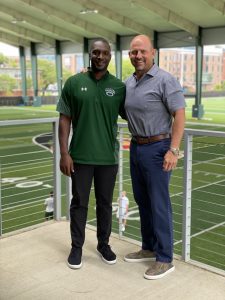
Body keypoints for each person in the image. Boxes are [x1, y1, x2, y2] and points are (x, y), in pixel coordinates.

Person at [56, 38, 126, 269]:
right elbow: (64, 119)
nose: (100, 57)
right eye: (96, 52)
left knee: (105, 205)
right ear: (90, 54)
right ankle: (76, 248)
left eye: (104, 53)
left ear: (110, 56)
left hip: (108, 158)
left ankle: (103, 245)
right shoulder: (74, 83)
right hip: (80, 157)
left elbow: (134, 111)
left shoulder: (118, 87)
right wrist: (64, 153)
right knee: (79, 204)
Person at [123, 35, 185, 280]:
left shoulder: (165, 80)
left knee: (159, 203)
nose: (138, 56)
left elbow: (179, 115)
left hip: (159, 148)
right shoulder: (129, 82)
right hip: (136, 146)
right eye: (133, 52)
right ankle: (148, 247)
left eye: (142, 52)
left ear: (153, 53)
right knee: (142, 200)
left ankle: (164, 258)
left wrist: (174, 150)